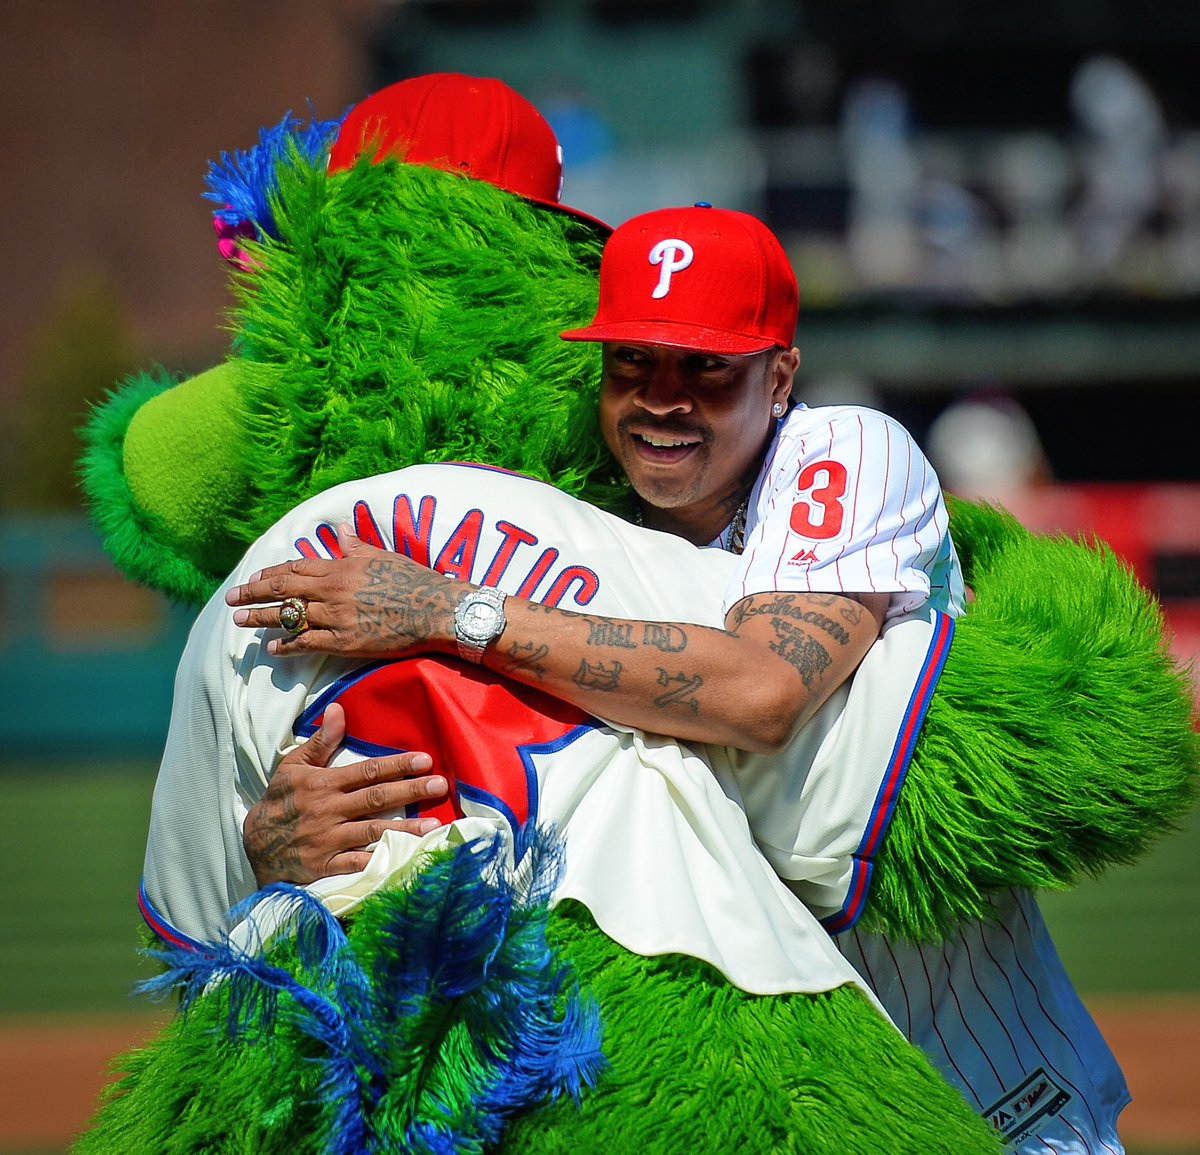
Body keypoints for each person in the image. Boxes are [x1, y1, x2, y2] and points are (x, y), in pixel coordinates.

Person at [226, 205, 1130, 1154]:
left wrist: (449, 609)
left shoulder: (842, 452)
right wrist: (299, 834)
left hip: (970, 1063)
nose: (663, 398)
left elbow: (761, 693)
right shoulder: (582, 517)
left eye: (707, 366)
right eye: (634, 362)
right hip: (749, 1082)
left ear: (779, 377)